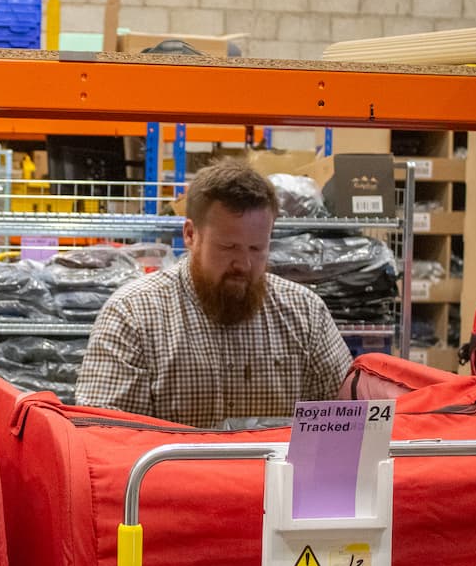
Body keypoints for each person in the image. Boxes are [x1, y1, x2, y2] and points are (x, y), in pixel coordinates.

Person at [74, 159, 353, 427]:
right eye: (228, 247)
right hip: (171, 477)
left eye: (257, 249)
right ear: (190, 235)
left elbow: (348, 421)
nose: (243, 264)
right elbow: (103, 438)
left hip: (276, 477)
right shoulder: (132, 316)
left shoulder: (305, 313)